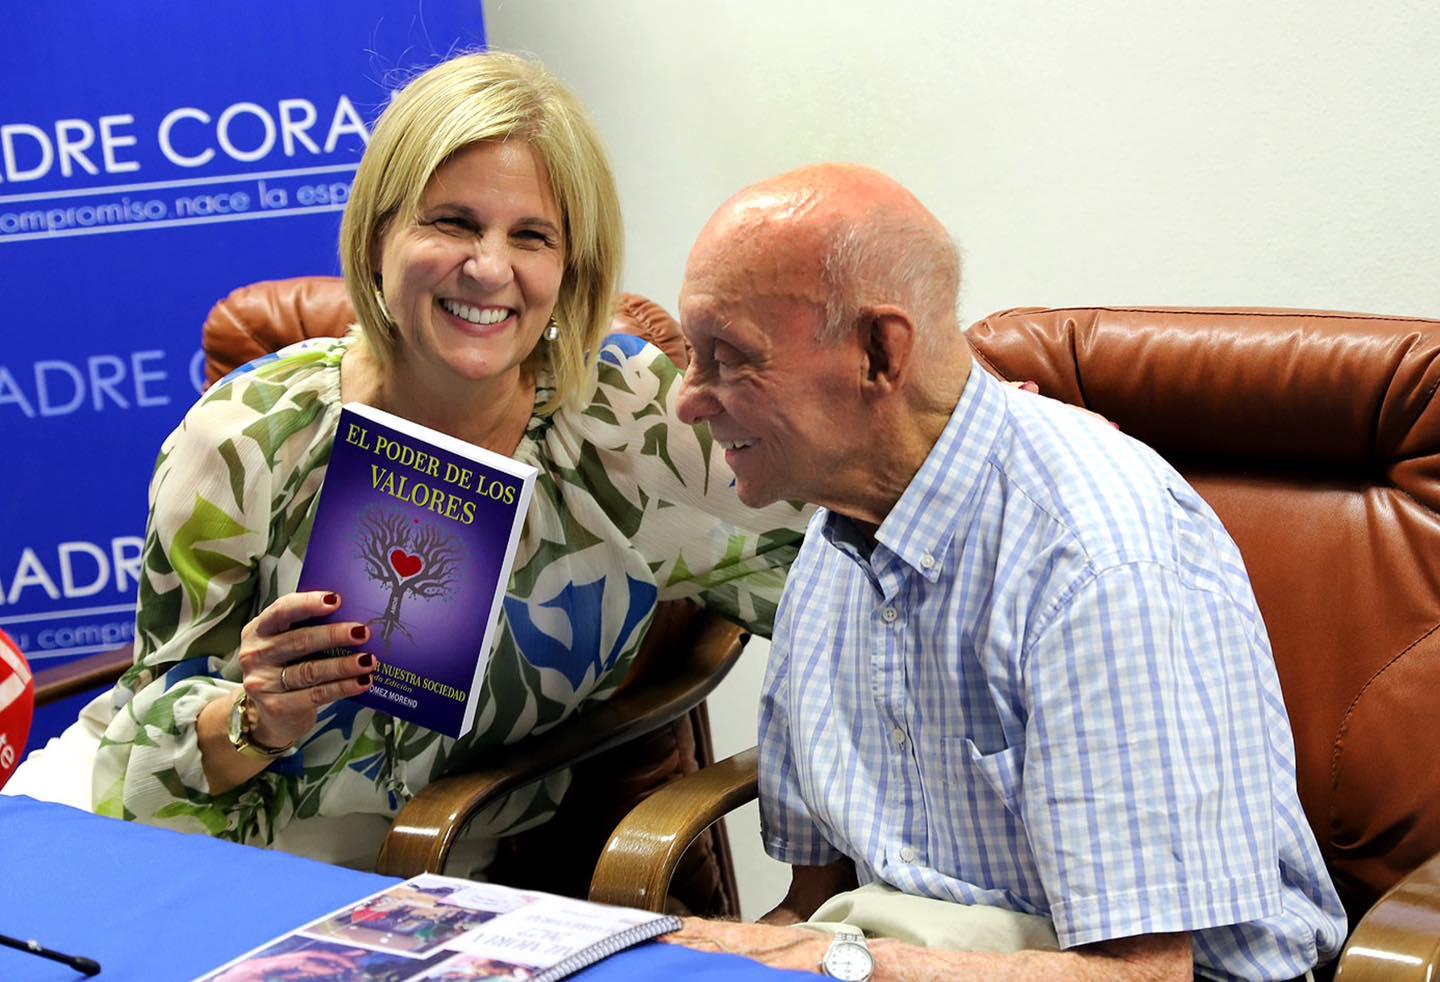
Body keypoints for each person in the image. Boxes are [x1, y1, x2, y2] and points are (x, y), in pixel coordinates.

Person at [12, 51, 804, 870]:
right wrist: (253, 716)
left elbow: (827, 581)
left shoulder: (626, 419)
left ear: (572, 268)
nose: (488, 268)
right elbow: (143, 745)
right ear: (378, 236)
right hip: (172, 825)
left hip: (421, 860)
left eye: (531, 236)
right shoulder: (246, 432)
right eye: (452, 223)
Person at [661, 164, 1347, 980]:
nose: (688, 401)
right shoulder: (832, 541)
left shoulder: (1097, 557)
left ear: (880, 352)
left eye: (731, 358)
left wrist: (829, 961)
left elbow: (1143, 974)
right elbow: (814, 904)